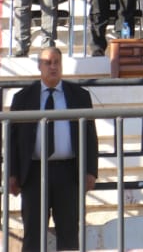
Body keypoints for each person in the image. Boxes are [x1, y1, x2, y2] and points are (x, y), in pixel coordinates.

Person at [6, 47, 99, 252]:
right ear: (39, 66)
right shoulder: (22, 98)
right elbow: (12, 140)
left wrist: (91, 170)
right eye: (48, 62)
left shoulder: (79, 96)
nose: (53, 67)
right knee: (33, 233)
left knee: (68, 232)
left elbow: (90, 135)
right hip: (33, 173)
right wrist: (12, 173)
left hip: (68, 172)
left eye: (57, 62)